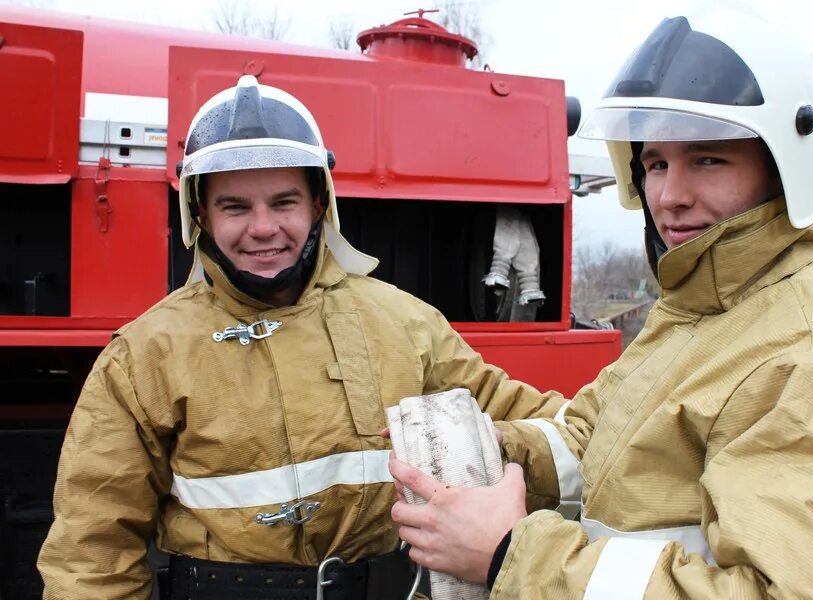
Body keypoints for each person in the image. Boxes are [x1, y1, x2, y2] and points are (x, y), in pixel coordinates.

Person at [389, 6, 813, 598]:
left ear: (782, 169)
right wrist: (486, 451)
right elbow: (595, 440)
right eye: (655, 163)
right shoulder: (699, 307)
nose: (669, 196)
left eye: (708, 158)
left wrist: (511, 555)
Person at [36, 75, 568, 600]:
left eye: (284, 202)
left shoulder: (405, 323)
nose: (263, 227)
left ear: (319, 205)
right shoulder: (143, 356)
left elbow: (525, 416)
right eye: (235, 206)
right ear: (200, 213)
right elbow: (91, 552)